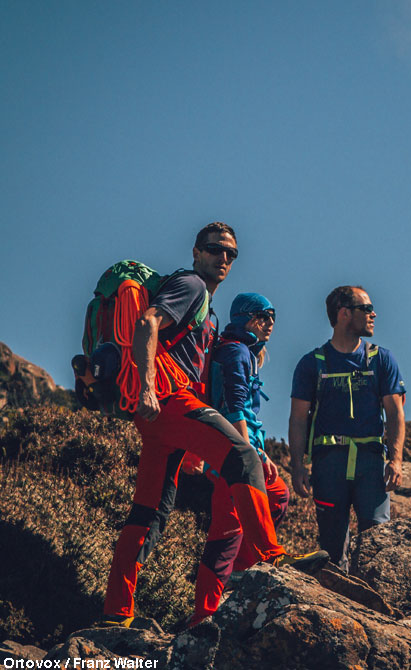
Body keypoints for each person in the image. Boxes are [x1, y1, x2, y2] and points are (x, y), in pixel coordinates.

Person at [99, 223, 327, 627]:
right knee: (243, 457)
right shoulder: (191, 286)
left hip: (161, 421)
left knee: (148, 512)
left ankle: (117, 613)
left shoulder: (207, 307)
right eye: (215, 249)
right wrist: (148, 388)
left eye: (231, 253)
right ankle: (272, 554)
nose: (223, 258)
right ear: (196, 252)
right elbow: (148, 323)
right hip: (167, 400)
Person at [185, 292, 291, 628]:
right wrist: (251, 454)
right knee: (231, 528)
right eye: (265, 316)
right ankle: (229, 588)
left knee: (228, 530)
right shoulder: (236, 352)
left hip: (228, 453)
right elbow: (234, 406)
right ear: (247, 317)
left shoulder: (240, 350)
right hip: (233, 454)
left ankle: (210, 606)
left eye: (273, 317)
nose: (271, 323)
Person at [288, 285, 406, 571]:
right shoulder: (311, 363)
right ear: (344, 314)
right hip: (329, 463)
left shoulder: (381, 359)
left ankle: (376, 610)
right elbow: (298, 419)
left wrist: (396, 459)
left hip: (370, 461)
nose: (373, 314)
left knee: (377, 540)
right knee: (331, 545)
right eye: (366, 309)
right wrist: (298, 466)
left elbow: (395, 412)